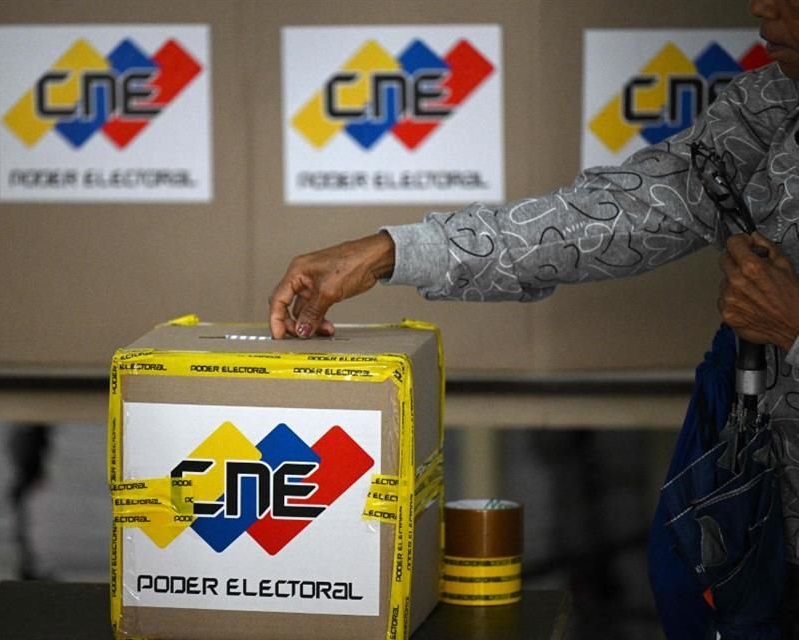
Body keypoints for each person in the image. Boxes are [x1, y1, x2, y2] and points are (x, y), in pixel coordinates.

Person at [270, 0, 799, 631]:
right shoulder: (775, 103)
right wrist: (393, 252)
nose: (761, 4)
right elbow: (625, 213)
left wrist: (792, 330)